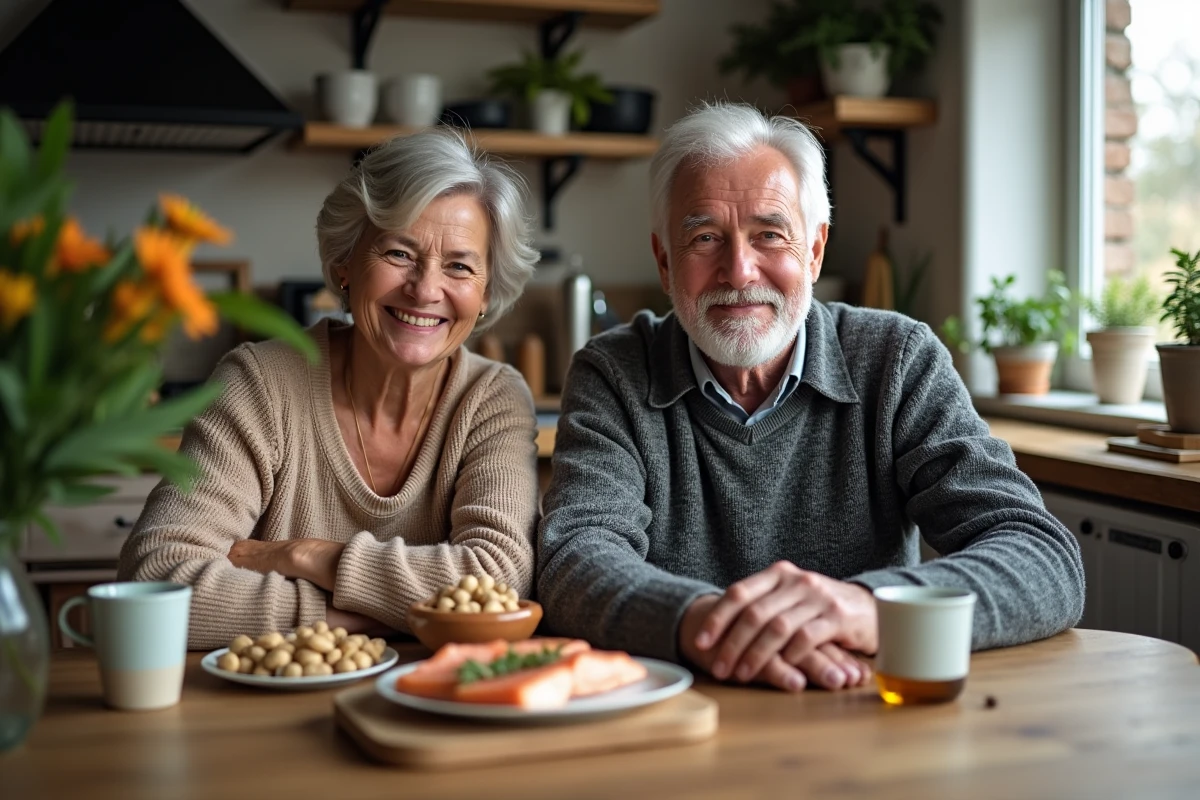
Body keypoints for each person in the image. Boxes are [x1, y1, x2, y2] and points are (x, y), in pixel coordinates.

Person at [537, 102, 1085, 692]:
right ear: (666, 263)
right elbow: (574, 561)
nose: (740, 271)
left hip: (867, 716)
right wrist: (709, 624)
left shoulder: (897, 360)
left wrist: (871, 609)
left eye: (769, 234)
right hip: (685, 729)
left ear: (816, 250)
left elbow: (1042, 555)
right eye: (705, 238)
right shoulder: (613, 371)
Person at [119, 130, 541, 649]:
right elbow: (157, 579)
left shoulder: (493, 398)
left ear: (485, 292)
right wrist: (366, 616)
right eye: (399, 253)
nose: (426, 289)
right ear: (345, 263)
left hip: (439, 707)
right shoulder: (261, 383)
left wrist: (306, 557)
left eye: (459, 265)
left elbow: (498, 581)